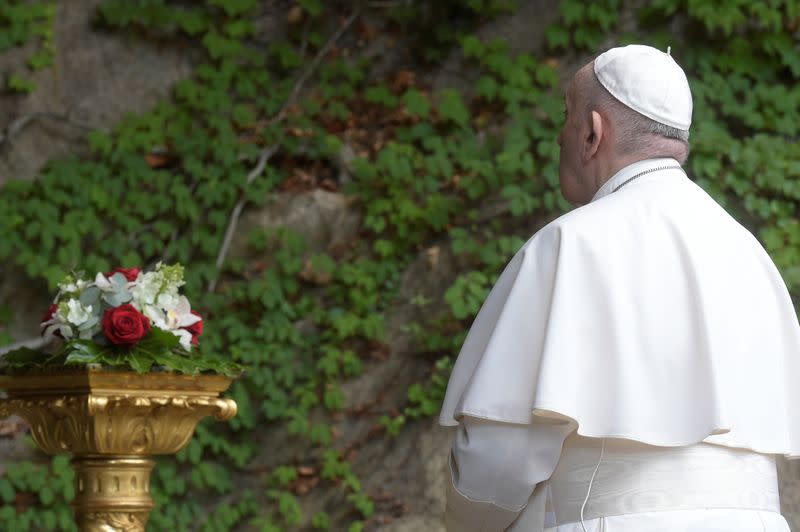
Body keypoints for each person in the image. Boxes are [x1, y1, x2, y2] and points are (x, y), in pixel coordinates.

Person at [439, 44, 800, 531]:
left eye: (565, 120)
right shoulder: (751, 254)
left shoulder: (570, 245)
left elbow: (497, 460)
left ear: (592, 131)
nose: (559, 138)